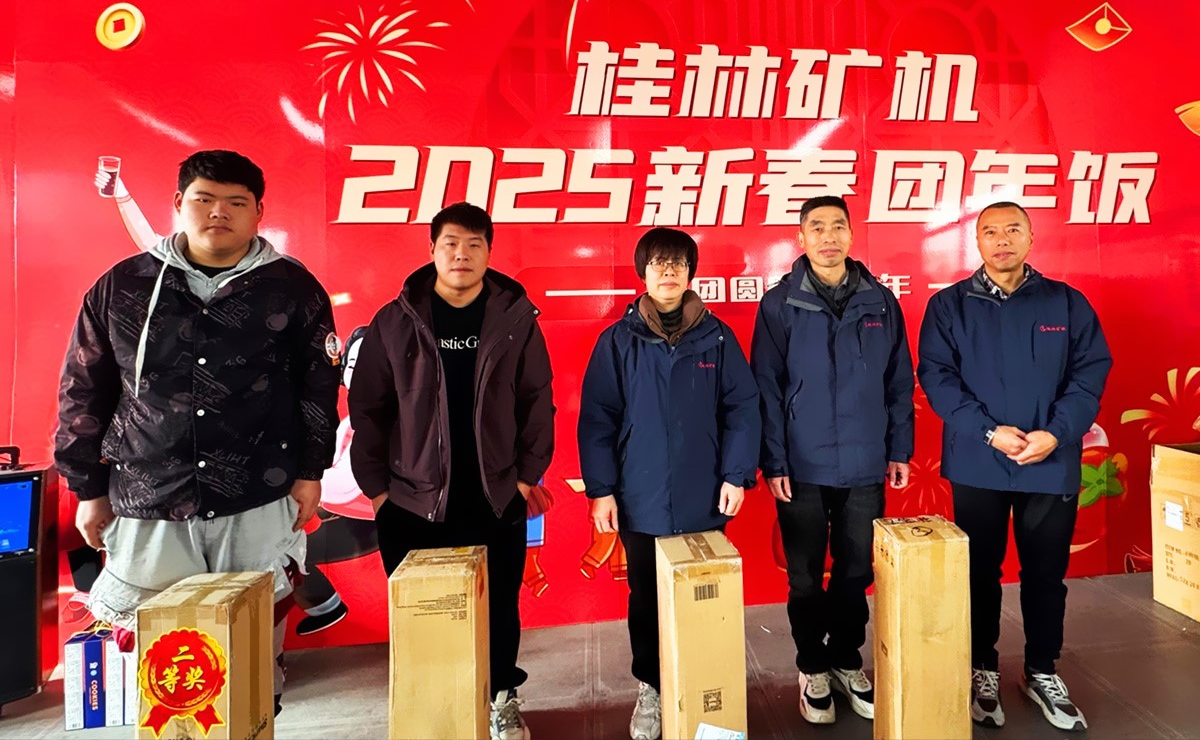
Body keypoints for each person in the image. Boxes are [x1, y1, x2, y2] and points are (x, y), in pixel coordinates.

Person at [57, 149, 340, 715]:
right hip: (150, 495)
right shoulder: (124, 286)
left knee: (253, 644)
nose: (219, 213)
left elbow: (317, 386)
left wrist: (311, 471)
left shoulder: (291, 288)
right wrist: (87, 487)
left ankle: (257, 719)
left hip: (257, 491)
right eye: (204, 199)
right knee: (170, 662)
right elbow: (84, 388)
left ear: (258, 212)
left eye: (236, 202)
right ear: (178, 203)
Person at [348, 202, 555, 740]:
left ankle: (501, 697)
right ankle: (435, 712)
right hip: (411, 501)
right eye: (451, 244)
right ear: (432, 250)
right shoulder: (394, 322)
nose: (461, 255)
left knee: (499, 608)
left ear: (489, 252)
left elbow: (537, 400)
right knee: (424, 614)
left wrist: (525, 479)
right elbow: (367, 408)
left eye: (474, 245)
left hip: (495, 495)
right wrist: (378, 492)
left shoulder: (514, 319)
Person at [918, 201, 1111, 732]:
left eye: (1012, 230)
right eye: (990, 232)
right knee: (979, 573)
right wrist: (988, 431)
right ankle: (982, 668)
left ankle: (1042, 669)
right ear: (976, 242)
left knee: (1046, 574)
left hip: (1050, 460)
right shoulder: (949, 306)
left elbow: (1090, 373)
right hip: (979, 460)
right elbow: (937, 378)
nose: (1001, 240)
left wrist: (1057, 433)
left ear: (1030, 238)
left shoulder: (1065, 303)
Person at [578, 228, 760, 740]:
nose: (668, 272)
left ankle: (704, 684)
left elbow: (742, 408)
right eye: (658, 263)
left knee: (704, 594)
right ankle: (652, 687)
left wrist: (737, 475)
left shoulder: (717, 338)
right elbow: (597, 419)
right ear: (643, 272)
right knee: (645, 597)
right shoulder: (618, 341)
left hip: (706, 493)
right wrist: (601, 490)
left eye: (678, 263)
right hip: (640, 496)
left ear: (690, 274)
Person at [751, 195, 914, 725]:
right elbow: (766, 388)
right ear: (801, 238)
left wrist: (899, 448)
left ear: (851, 234)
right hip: (800, 465)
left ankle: (846, 659)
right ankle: (812, 666)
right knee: (804, 575)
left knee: (856, 569)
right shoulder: (780, 305)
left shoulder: (880, 302)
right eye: (817, 227)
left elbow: (898, 381)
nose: (828, 236)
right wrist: (774, 461)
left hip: (866, 461)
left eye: (838, 226)